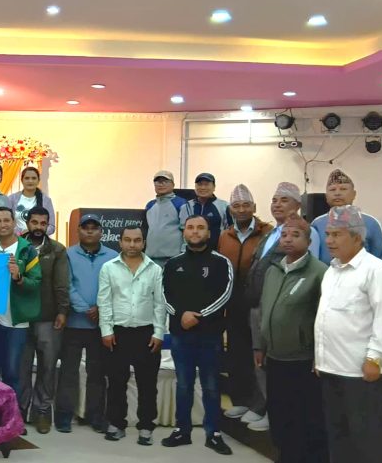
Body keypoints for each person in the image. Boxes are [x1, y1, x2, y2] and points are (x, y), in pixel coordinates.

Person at [315, 205, 382, 463]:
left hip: (360, 372)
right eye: (328, 234)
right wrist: (320, 358)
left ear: (357, 237)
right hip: (330, 368)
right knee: (338, 436)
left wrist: (375, 359)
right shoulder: (331, 271)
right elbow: (325, 317)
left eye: (337, 235)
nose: (329, 241)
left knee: (368, 439)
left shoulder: (376, 271)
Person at [242, 181, 321, 430]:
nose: (277, 205)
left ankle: (272, 411)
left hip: (291, 313)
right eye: (274, 200)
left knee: (282, 374)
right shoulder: (270, 233)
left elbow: (308, 269)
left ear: (297, 204)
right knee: (261, 361)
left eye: (284, 200)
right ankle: (264, 405)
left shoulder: (308, 233)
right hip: (263, 306)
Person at [254, 215, 328, 463]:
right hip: (275, 358)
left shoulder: (319, 273)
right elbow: (265, 310)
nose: (288, 239)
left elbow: (324, 319)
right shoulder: (273, 270)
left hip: (303, 360)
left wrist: (319, 355)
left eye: (295, 235)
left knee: (304, 418)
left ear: (309, 241)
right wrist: (260, 345)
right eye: (284, 235)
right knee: (279, 415)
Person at [161, 215, 233, 455]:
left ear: (208, 233)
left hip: (210, 336)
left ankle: (213, 434)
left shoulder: (221, 262)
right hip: (181, 335)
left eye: (200, 227)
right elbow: (164, 295)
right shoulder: (173, 264)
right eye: (190, 227)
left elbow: (225, 294)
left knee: (211, 386)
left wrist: (199, 316)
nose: (195, 231)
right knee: (184, 385)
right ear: (184, 232)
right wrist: (181, 314)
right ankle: (182, 431)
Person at [97, 225, 167, 445]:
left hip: (146, 333)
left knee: (148, 384)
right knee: (116, 382)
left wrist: (159, 333)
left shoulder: (154, 269)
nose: (132, 244)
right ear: (120, 242)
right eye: (127, 240)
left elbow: (160, 304)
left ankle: (146, 427)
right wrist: (106, 330)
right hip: (117, 333)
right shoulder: (109, 268)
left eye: (137, 240)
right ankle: (117, 423)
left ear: (143, 243)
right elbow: (104, 301)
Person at [55, 214, 117, 434]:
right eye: (85, 227)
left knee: (97, 373)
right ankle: (64, 416)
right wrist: (85, 308)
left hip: (101, 325)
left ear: (101, 232)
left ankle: (96, 416)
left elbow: (115, 286)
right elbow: (66, 284)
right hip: (74, 323)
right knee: (68, 372)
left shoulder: (113, 256)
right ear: (78, 231)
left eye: (94, 227)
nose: (89, 231)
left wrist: (100, 308)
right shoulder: (68, 254)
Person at [218, 184, 273, 425]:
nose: (241, 210)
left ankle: (259, 404)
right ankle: (240, 400)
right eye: (236, 206)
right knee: (236, 354)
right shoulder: (225, 236)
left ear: (254, 207)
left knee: (257, 355)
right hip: (233, 304)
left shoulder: (268, 233)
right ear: (231, 209)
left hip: (257, 303)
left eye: (246, 205)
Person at [17, 206, 70, 434]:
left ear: (48, 225)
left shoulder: (57, 249)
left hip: (48, 317)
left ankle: (42, 411)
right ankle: (19, 412)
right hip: (20, 317)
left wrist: (62, 311)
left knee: (47, 367)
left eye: (43, 223)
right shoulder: (17, 245)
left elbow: (62, 283)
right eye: (35, 222)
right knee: (21, 368)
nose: (39, 227)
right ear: (27, 223)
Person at [0, 207, 41, 395]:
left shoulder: (27, 250)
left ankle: (13, 413)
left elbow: (36, 282)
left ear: (14, 223)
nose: (2, 225)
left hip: (17, 321)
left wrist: (18, 277)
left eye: (6, 220)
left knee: (12, 371)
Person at [311, 169, 382, 263]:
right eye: (332, 190)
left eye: (343, 189)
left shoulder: (371, 223)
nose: (337, 193)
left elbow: (381, 259)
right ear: (326, 196)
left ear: (354, 194)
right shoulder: (317, 224)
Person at [144, 170, 191, 266]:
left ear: (173, 184)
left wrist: (184, 253)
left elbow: (187, 230)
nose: (161, 184)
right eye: (158, 181)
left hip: (174, 259)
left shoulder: (181, 203)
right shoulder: (150, 205)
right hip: (150, 258)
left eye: (165, 181)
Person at [188, 173, 231, 248]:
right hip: (191, 251)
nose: (203, 187)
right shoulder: (187, 206)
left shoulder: (224, 206)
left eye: (206, 184)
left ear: (214, 187)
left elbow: (230, 230)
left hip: (217, 250)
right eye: (200, 184)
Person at [9, 167, 56, 236]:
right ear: (22, 180)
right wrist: (21, 233)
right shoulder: (12, 199)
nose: (30, 181)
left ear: (38, 180)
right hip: (17, 239)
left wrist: (37, 232)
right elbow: (7, 222)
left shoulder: (46, 200)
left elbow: (51, 226)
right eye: (27, 178)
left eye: (33, 178)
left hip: (38, 239)